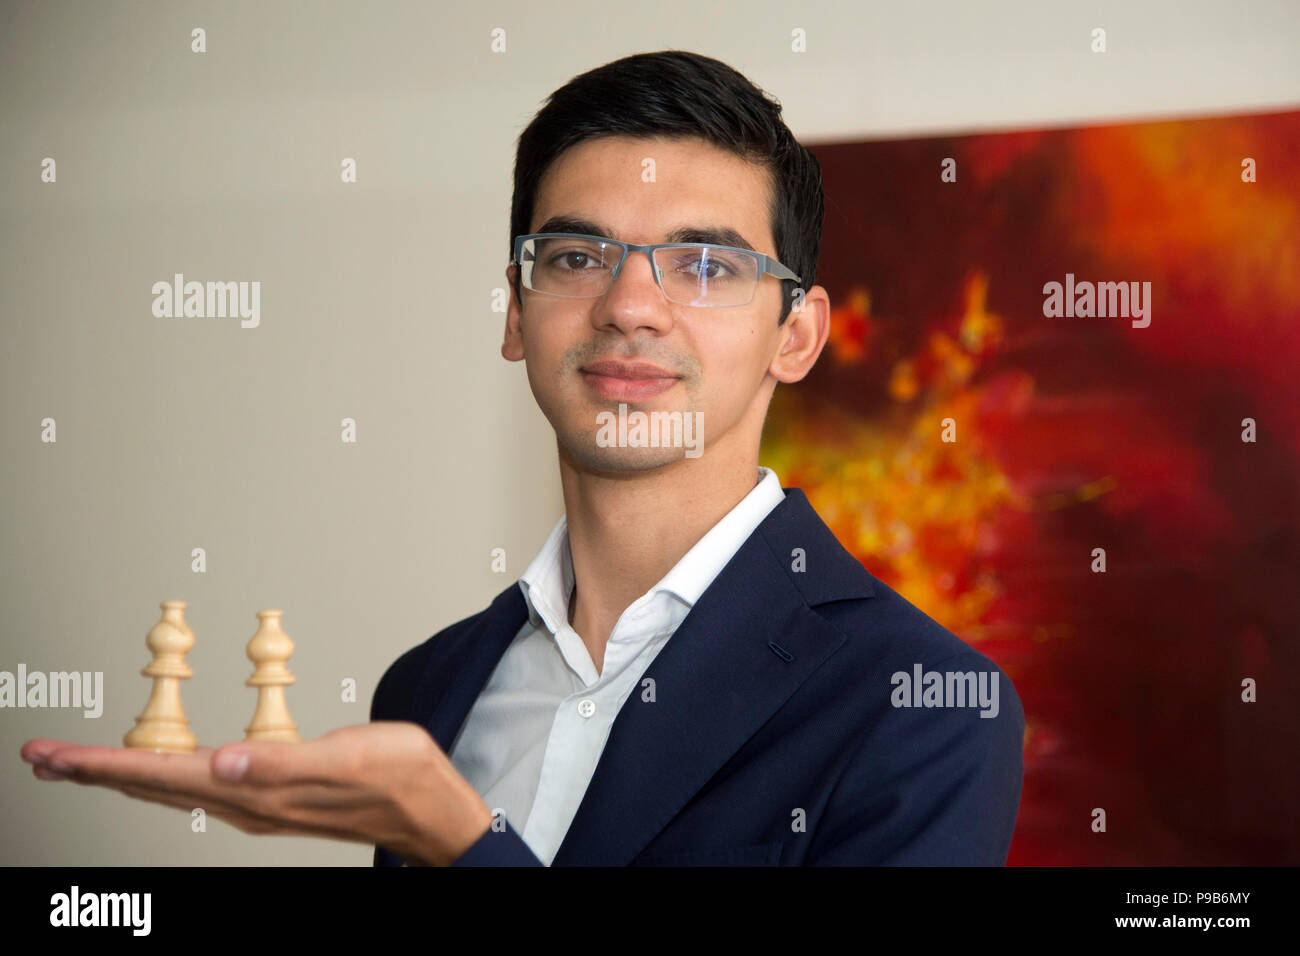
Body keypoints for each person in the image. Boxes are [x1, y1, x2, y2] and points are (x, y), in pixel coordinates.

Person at [369, 49, 1025, 866]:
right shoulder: (424, 689)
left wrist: (466, 847)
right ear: (516, 314)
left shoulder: (926, 707)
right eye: (578, 258)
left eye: (705, 266)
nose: (630, 307)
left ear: (796, 336)